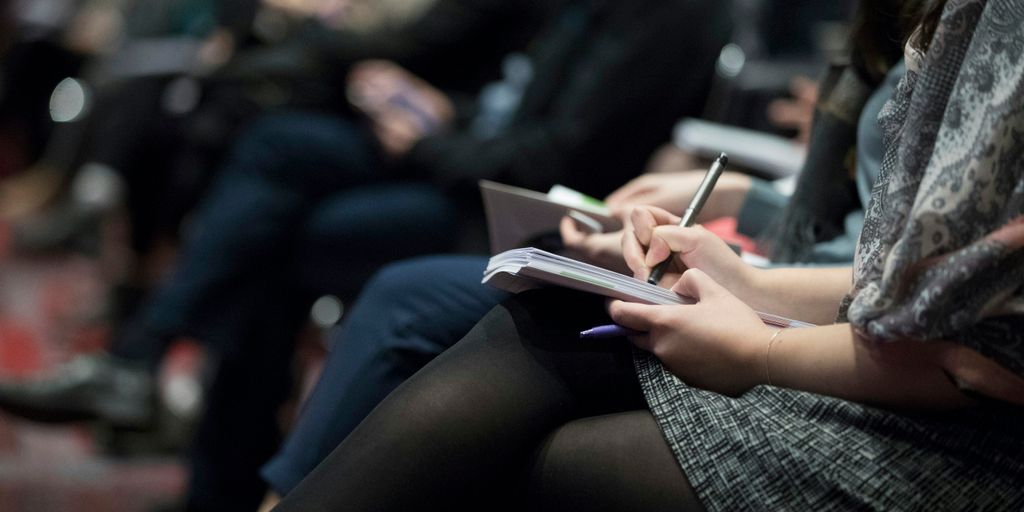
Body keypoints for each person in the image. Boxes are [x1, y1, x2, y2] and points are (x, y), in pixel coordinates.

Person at [274, 0, 1024, 509]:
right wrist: (734, 268)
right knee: (533, 314)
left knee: (515, 419)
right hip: (873, 345)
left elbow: (962, 350)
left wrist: (761, 342)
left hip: (962, 441)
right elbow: (898, 284)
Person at [0, 1, 731, 509]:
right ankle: (163, 391)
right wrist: (437, 112)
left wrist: (429, 138)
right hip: (467, 159)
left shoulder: (669, 14)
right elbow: (502, 92)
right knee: (274, 146)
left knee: (284, 238)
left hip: (524, 215)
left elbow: (554, 156)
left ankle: (211, 453)